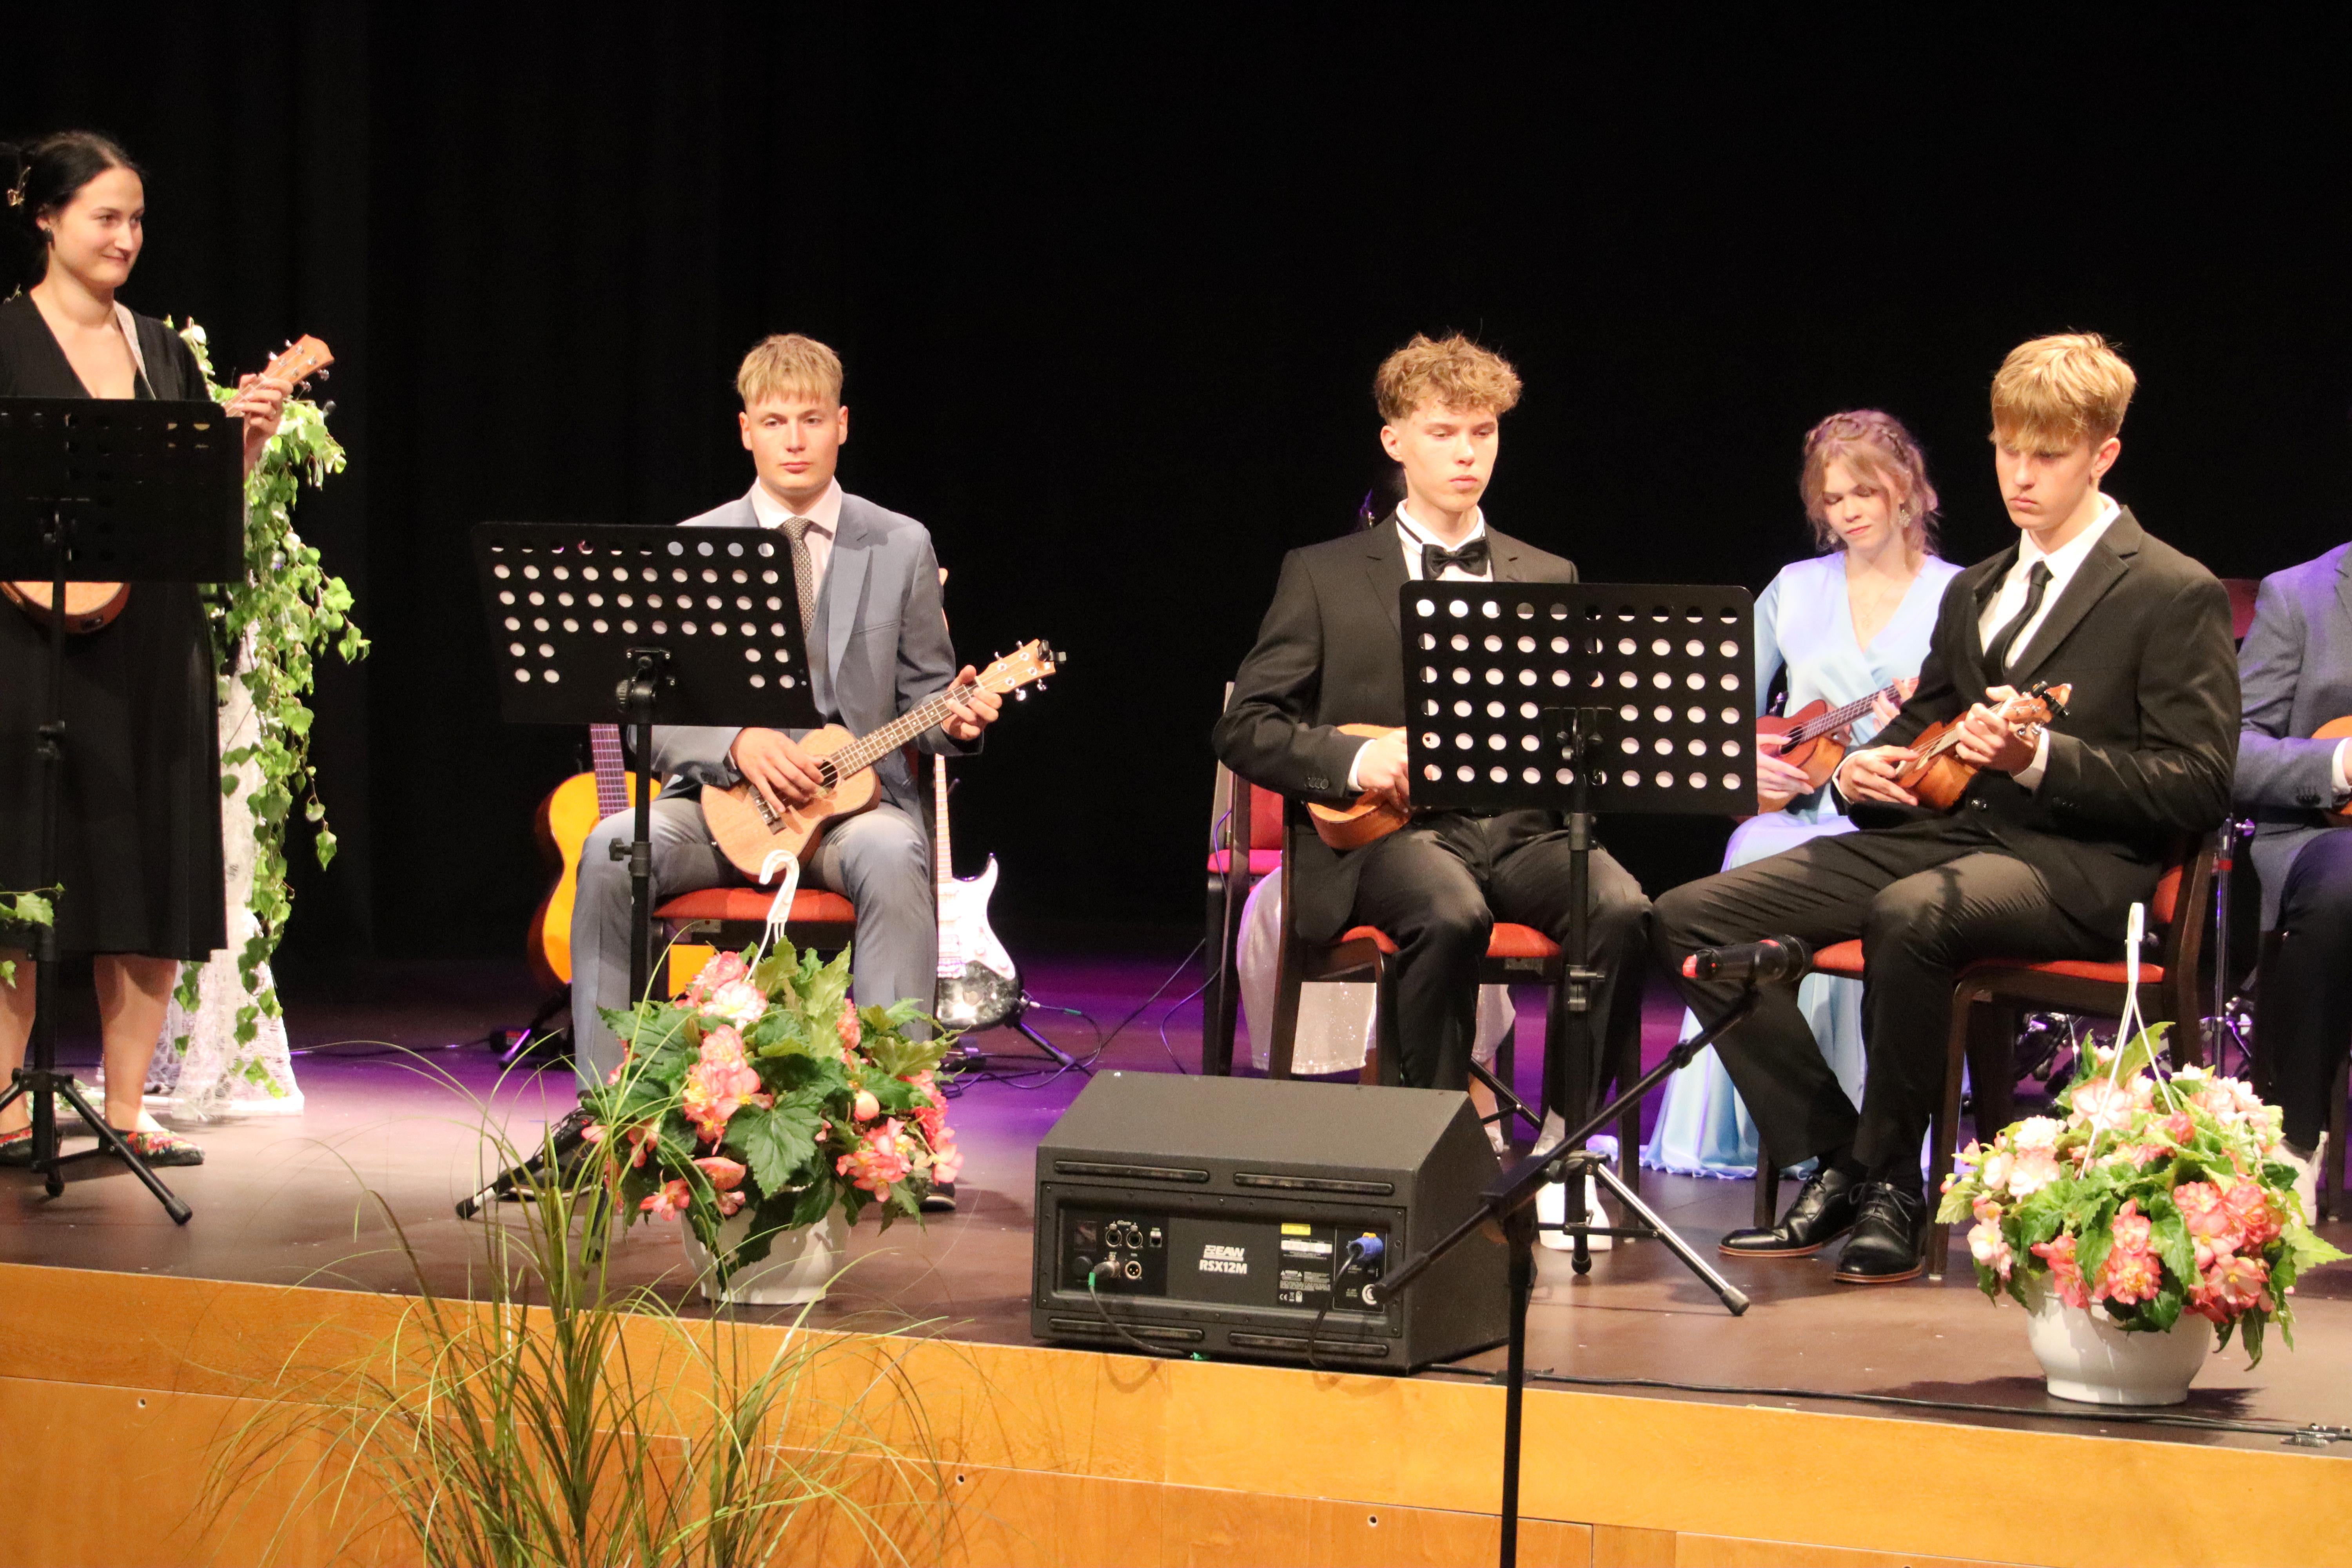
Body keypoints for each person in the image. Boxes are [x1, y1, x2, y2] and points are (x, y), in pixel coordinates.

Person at [1655, 332, 2237, 1283]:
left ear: (2104, 454)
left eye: (2048, 455)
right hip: (1954, 841)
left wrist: (2039, 756)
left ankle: (1896, 1184)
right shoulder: (1979, 589)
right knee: (1689, 916)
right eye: (2008, 450)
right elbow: (1918, 730)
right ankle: (1839, 1157)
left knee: (1912, 914)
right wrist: (1862, 773)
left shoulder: (2173, 590)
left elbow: (2200, 782)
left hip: (2079, 867)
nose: (2022, 475)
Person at [1213, 333, 1653, 1234]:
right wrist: (1355, 760)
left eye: (1483, 432)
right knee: (1450, 911)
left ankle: (1568, 1144)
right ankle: (1433, 1152)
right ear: (1396, 440)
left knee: (1620, 906)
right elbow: (1246, 726)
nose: (1466, 452)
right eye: (1444, 431)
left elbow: (1584, 734)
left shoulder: (1548, 574)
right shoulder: (1324, 572)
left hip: (1520, 831)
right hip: (1392, 836)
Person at [552, 334, 998, 1201]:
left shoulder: (899, 544)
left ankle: (895, 1127)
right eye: (774, 421)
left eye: (811, 420)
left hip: (852, 815)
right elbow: (649, 722)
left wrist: (960, 720)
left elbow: (930, 700)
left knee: (895, 853)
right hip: (719, 807)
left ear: (843, 426)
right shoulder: (695, 544)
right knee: (611, 849)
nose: (794, 439)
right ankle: (609, 1119)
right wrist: (733, 745)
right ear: (745, 431)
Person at [0, 132, 289, 1167]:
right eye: (104, 217)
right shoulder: (6, 338)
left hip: (154, 639)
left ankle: (126, 1108)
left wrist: (243, 444)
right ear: (46, 217)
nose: (125, 238)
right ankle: (5, 1102)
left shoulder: (158, 349)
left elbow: (194, 510)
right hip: (22, 640)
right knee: (18, 865)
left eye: (136, 220)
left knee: (147, 865)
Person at [1645, 412, 1958, 1177]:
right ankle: (1769, 1126)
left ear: (1905, 490)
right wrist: (1747, 766)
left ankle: (1867, 1131)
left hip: (1902, 819)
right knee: (1752, 842)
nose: (1848, 512)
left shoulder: (1960, 593)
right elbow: (1719, 716)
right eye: (1833, 498)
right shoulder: (1795, 586)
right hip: (1802, 812)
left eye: (1864, 493)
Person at [2233, 545, 2352, 1217]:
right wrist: (2340, 763)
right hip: (2324, 836)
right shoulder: (2300, 595)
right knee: (2344, 889)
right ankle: (2296, 1140)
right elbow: (2232, 749)